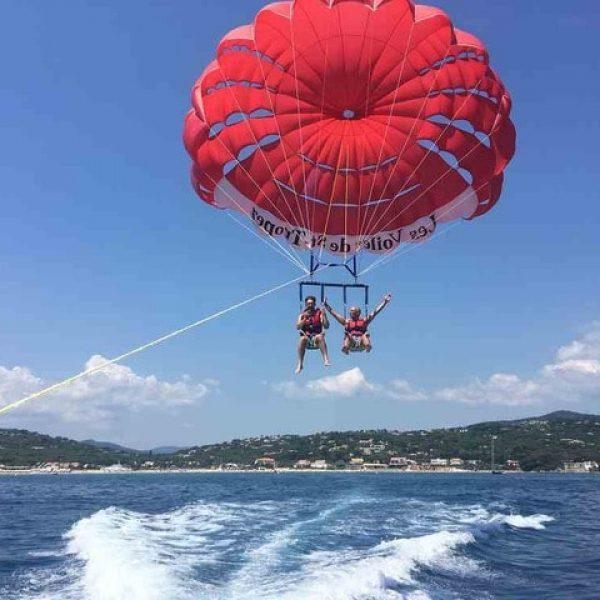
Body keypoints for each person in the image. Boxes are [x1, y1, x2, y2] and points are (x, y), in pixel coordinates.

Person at [324, 293, 392, 354]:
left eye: (352, 311)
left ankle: (368, 346)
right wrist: (326, 305)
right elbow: (334, 314)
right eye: (350, 311)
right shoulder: (347, 322)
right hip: (351, 343)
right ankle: (346, 348)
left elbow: (375, 312)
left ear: (358, 312)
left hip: (362, 343)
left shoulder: (364, 321)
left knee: (364, 335)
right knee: (347, 335)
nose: (351, 312)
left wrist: (384, 302)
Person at [296, 296, 331, 373]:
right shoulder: (302, 315)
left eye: (312, 303)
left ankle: (326, 359)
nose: (310, 305)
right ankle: (300, 363)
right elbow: (298, 327)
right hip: (306, 338)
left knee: (320, 336)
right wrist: (304, 319)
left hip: (316, 339)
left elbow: (326, 326)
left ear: (315, 304)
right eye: (308, 303)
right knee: (302, 339)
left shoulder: (320, 313)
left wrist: (325, 315)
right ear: (305, 304)